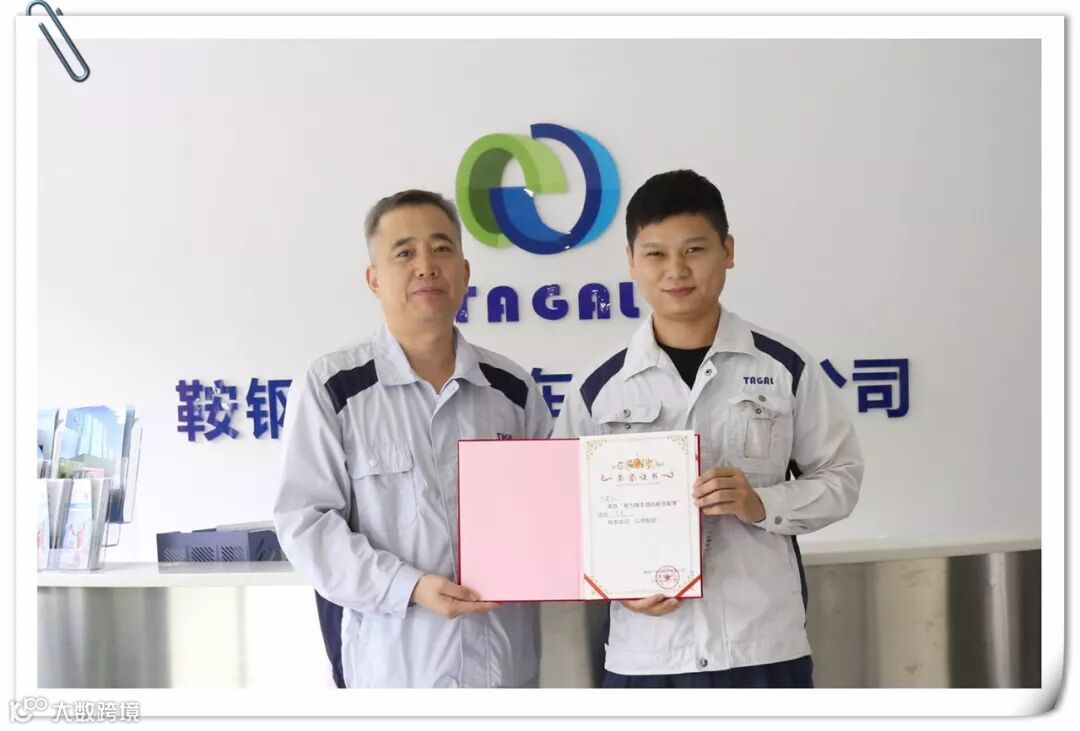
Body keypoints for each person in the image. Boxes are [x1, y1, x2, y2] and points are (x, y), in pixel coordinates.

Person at [553, 169, 865, 688]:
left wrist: (762, 503)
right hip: (647, 655)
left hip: (762, 645)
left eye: (694, 250)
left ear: (728, 251)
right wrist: (613, 583)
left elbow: (842, 478)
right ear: (631, 261)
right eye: (655, 254)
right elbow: (559, 511)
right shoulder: (599, 388)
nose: (676, 270)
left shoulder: (785, 367)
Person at [273, 189, 552, 688]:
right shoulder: (335, 388)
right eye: (404, 253)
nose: (426, 266)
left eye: (441, 249)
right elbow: (306, 524)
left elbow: (555, 514)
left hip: (504, 669)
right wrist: (410, 586)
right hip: (395, 672)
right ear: (374, 279)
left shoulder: (512, 389)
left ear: (464, 271)